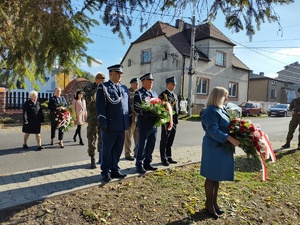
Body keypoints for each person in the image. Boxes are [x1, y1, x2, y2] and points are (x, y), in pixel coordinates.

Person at [200, 86, 240, 219]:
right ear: (218, 96)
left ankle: (214, 203)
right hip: (213, 147)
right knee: (211, 177)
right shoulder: (210, 111)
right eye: (225, 96)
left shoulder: (221, 108)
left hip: (221, 147)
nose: (227, 98)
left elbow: (227, 125)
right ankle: (209, 205)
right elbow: (213, 131)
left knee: (216, 176)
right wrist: (229, 138)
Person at [96, 64, 131, 182]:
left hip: (122, 124)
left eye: (121, 74)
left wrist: (129, 120)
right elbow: (100, 106)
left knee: (118, 149)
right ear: (111, 74)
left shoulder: (124, 88)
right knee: (107, 149)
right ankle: (105, 171)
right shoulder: (103, 87)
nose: (119, 76)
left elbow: (127, 106)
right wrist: (103, 122)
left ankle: (115, 169)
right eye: (117, 73)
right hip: (110, 125)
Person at [133, 73, 158, 174]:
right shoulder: (138, 93)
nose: (151, 83)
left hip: (154, 124)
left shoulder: (155, 93)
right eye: (149, 81)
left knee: (151, 144)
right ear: (143, 82)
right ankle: (139, 164)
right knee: (142, 145)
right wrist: (148, 114)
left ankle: (148, 162)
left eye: (152, 81)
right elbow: (137, 109)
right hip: (144, 124)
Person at [84, 72, 106, 169]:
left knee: (102, 139)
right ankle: (92, 158)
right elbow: (89, 99)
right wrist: (97, 89)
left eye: (103, 81)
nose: (102, 82)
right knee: (91, 139)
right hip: (92, 118)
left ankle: (101, 157)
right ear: (96, 79)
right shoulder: (89, 87)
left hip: (101, 118)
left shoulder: (104, 88)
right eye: (100, 80)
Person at [158, 76, 179, 166]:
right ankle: (163, 158)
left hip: (174, 121)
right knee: (164, 140)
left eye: (175, 84)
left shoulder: (175, 95)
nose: (174, 86)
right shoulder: (163, 95)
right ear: (167, 84)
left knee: (171, 140)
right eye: (172, 84)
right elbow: (160, 108)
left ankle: (169, 156)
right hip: (166, 121)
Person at [124, 77, 139, 161]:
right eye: (136, 83)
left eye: (138, 83)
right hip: (130, 118)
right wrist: (134, 108)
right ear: (131, 84)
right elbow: (125, 104)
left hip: (138, 118)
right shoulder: (127, 92)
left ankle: (136, 152)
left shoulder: (138, 92)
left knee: (137, 137)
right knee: (128, 137)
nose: (137, 85)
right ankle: (127, 153)